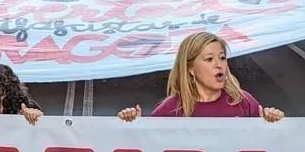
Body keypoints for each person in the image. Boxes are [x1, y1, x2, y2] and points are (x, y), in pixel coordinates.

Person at [117, 32, 283, 120]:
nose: (219, 65)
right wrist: (133, 126)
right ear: (190, 69)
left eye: (222, 58)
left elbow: (269, 148)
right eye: (209, 59)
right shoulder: (170, 109)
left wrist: (272, 122)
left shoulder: (243, 101)